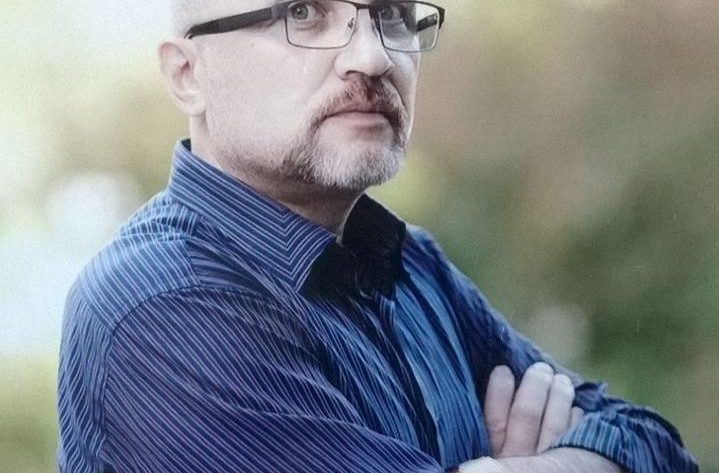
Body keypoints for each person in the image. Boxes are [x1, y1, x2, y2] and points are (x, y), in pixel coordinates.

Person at [57, 1, 698, 472]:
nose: (372, 57)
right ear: (186, 74)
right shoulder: (163, 307)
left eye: (391, 14)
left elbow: (657, 446)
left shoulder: (413, 265)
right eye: (304, 13)